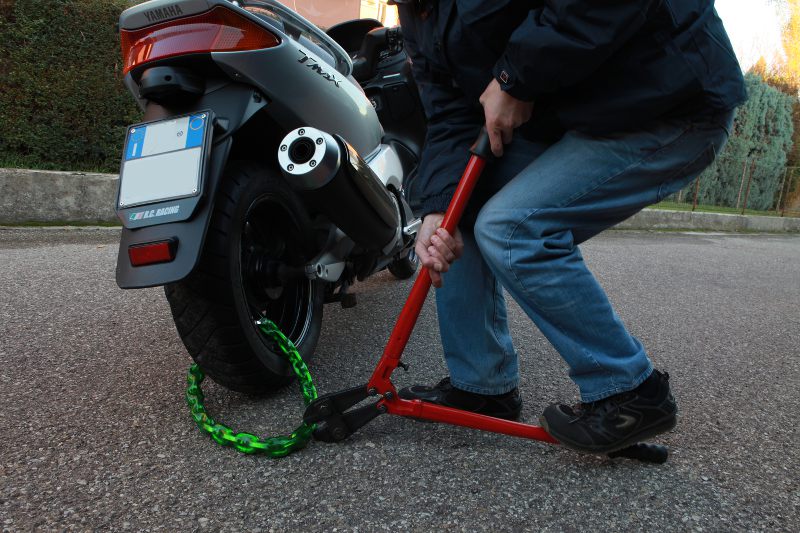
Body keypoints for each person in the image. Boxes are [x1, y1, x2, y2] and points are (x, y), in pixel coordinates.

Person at [391, 0, 746, 454]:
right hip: (578, 113)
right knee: (459, 214)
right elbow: (448, 110)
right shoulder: (417, 12)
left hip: (667, 97)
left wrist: (512, 79)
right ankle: (482, 387)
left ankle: (631, 393)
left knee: (513, 229)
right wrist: (439, 207)